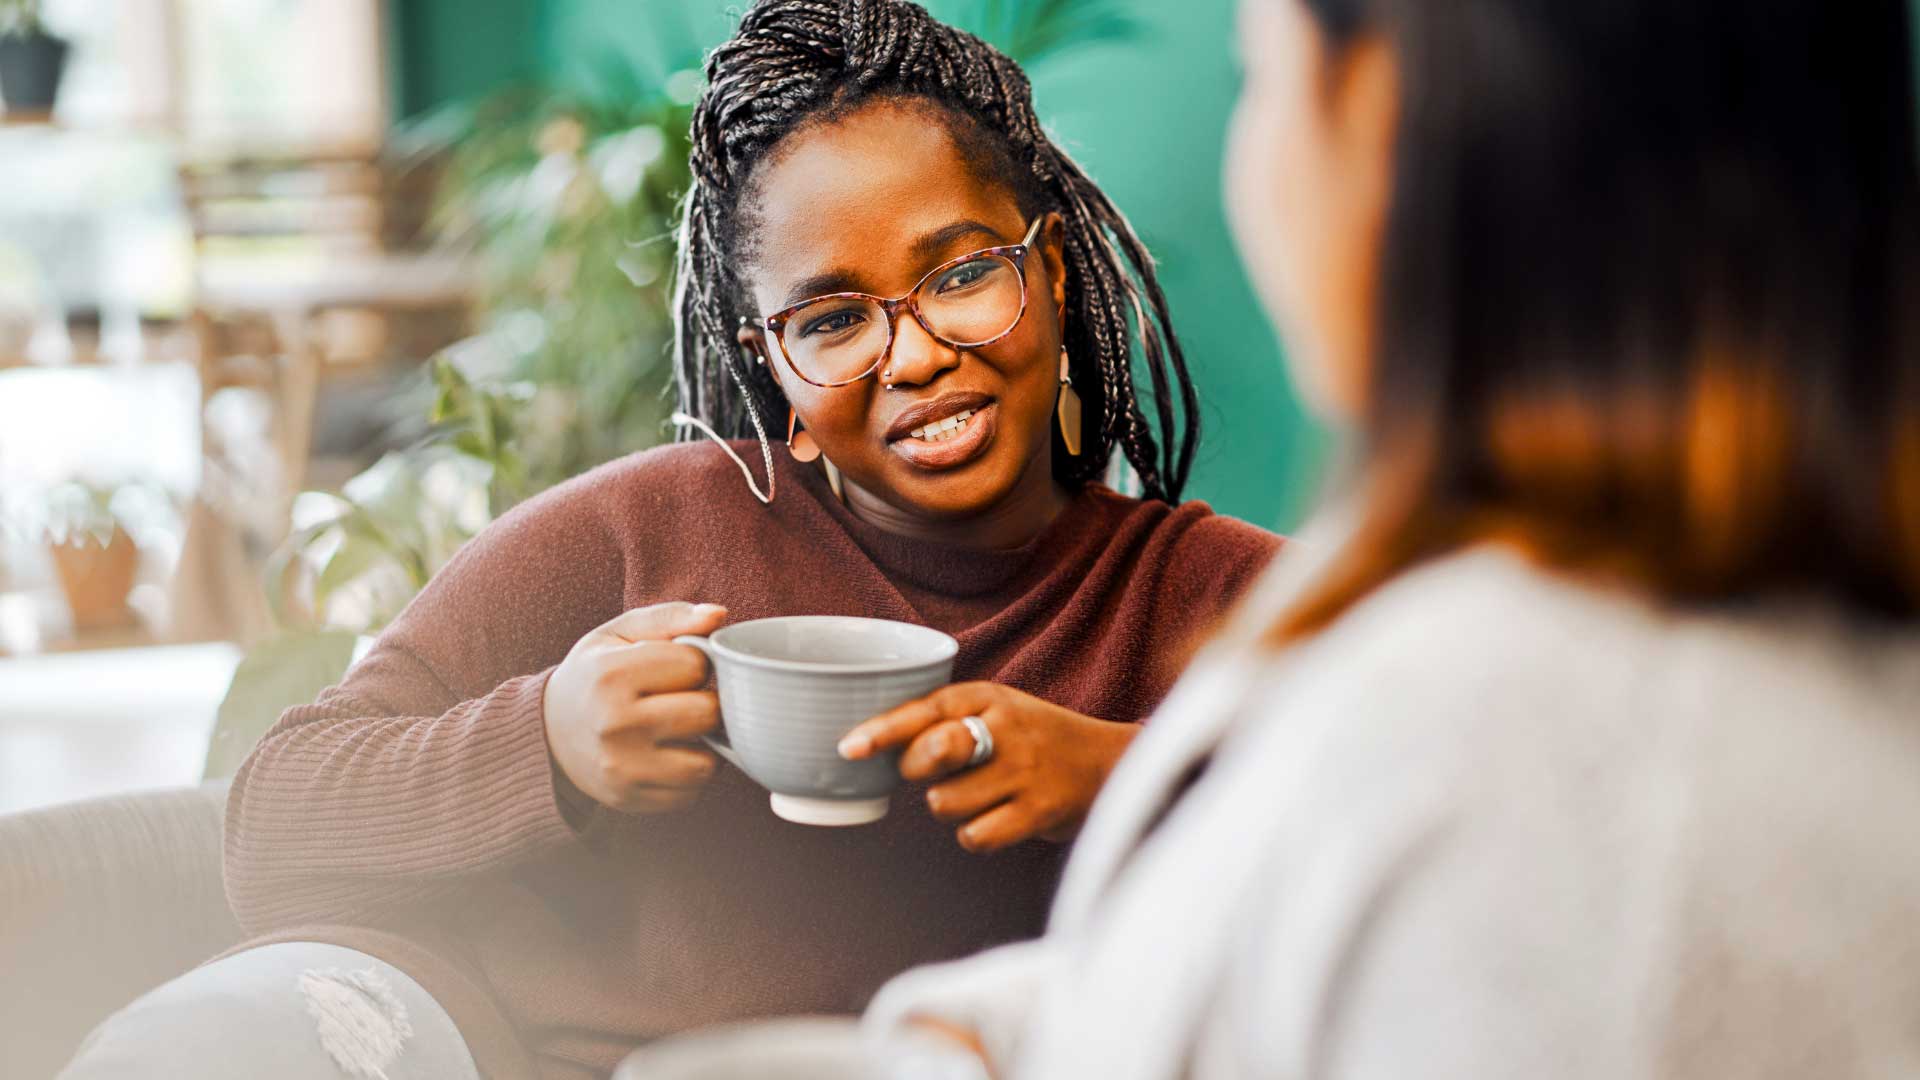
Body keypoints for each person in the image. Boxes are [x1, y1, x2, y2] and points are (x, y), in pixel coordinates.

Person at [56, 2, 1280, 1079]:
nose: (912, 356)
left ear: (1054, 273)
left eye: (961, 275)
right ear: (773, 371)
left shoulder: (1222, 599)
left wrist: (1119, 776)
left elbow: (1440, 851)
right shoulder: (642, 528)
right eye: (835, 317)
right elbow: (274, 822)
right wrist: (549, 743)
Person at [862, 0, 1920, 1076]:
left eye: (1259, 78)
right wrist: (990, 1031)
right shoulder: (1779, 674)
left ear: (1379, 115)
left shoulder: (1479, 750)